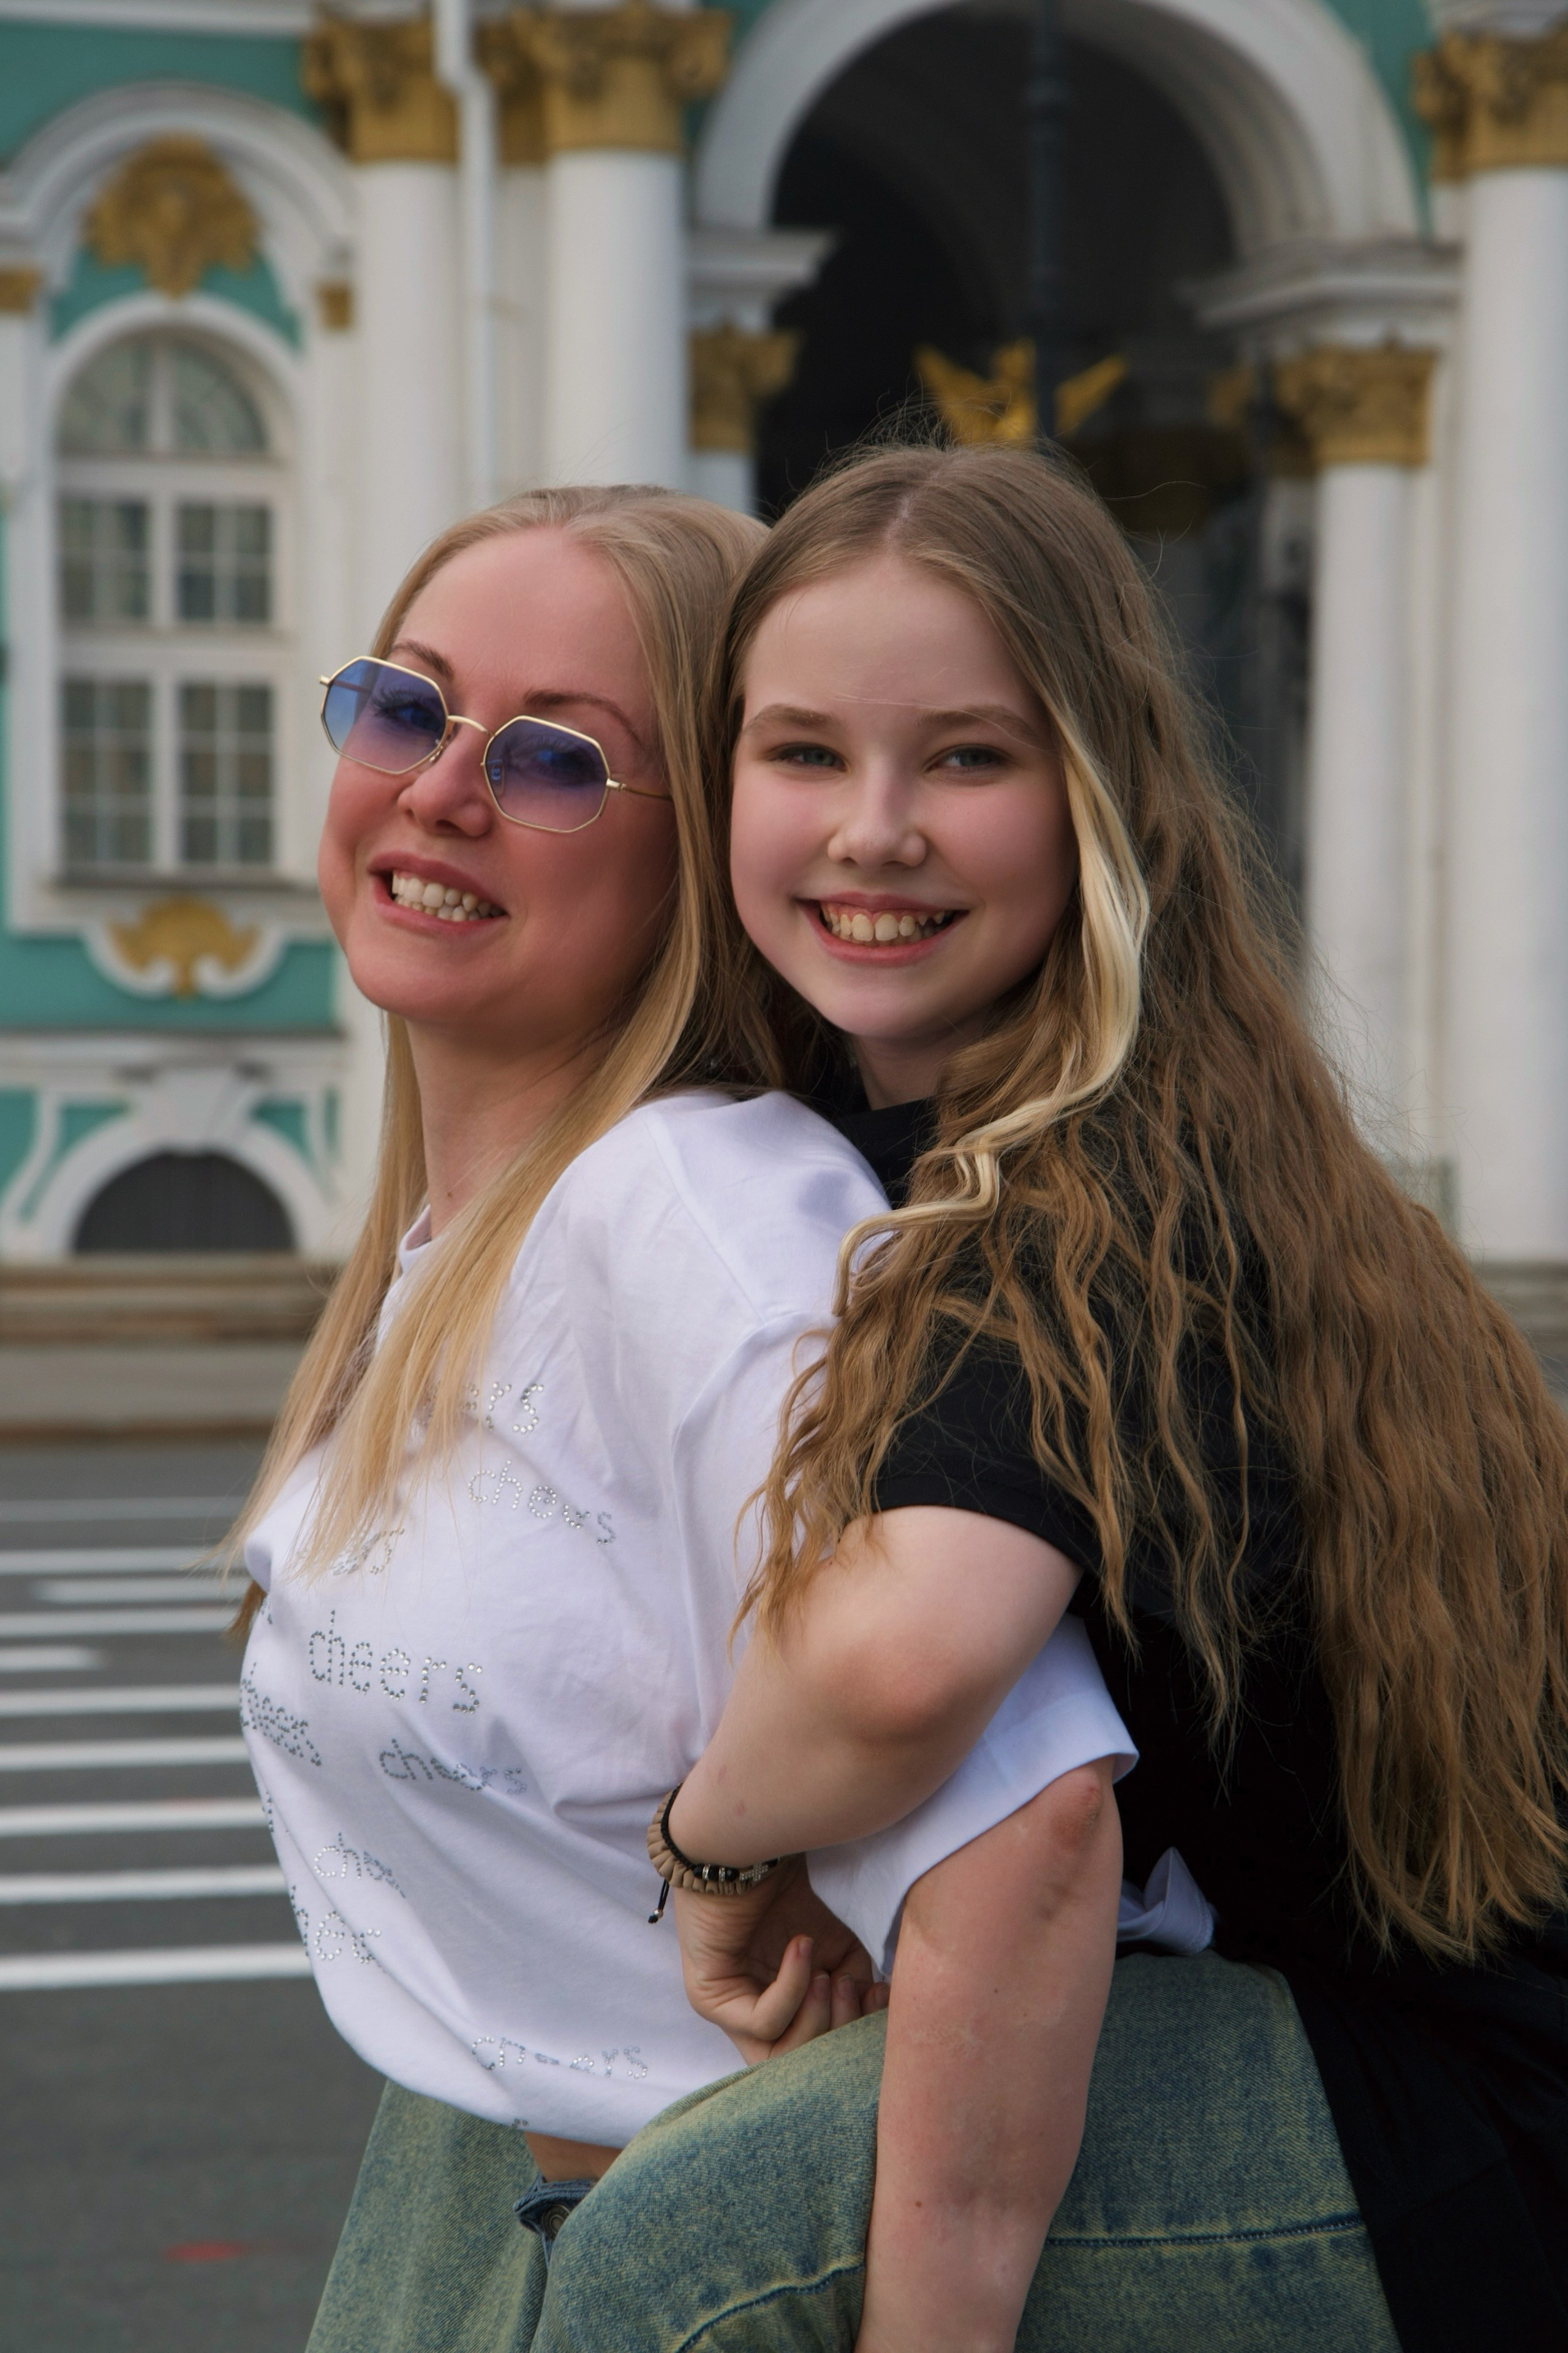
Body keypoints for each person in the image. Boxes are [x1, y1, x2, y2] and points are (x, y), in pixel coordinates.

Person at [520, 444, 1568, 2353]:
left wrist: (714, 1854)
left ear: (1104, 791)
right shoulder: (913, 1125)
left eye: (969, 759)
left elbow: (904, 1662)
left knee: (686, 2250)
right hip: (1291, 2005)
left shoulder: (1102, 1179)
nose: (875, 829)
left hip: (1456, 2106)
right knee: (506, 2107)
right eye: (806, 751)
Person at [228, 482, 1151, 2353]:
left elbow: (1034, 1817)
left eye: (556, 758)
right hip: (515, 2206)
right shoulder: (477, 1242)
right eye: (405, 707)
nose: (442, 789)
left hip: (720, 2261)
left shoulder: (691, 1215)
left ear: (704, 847)